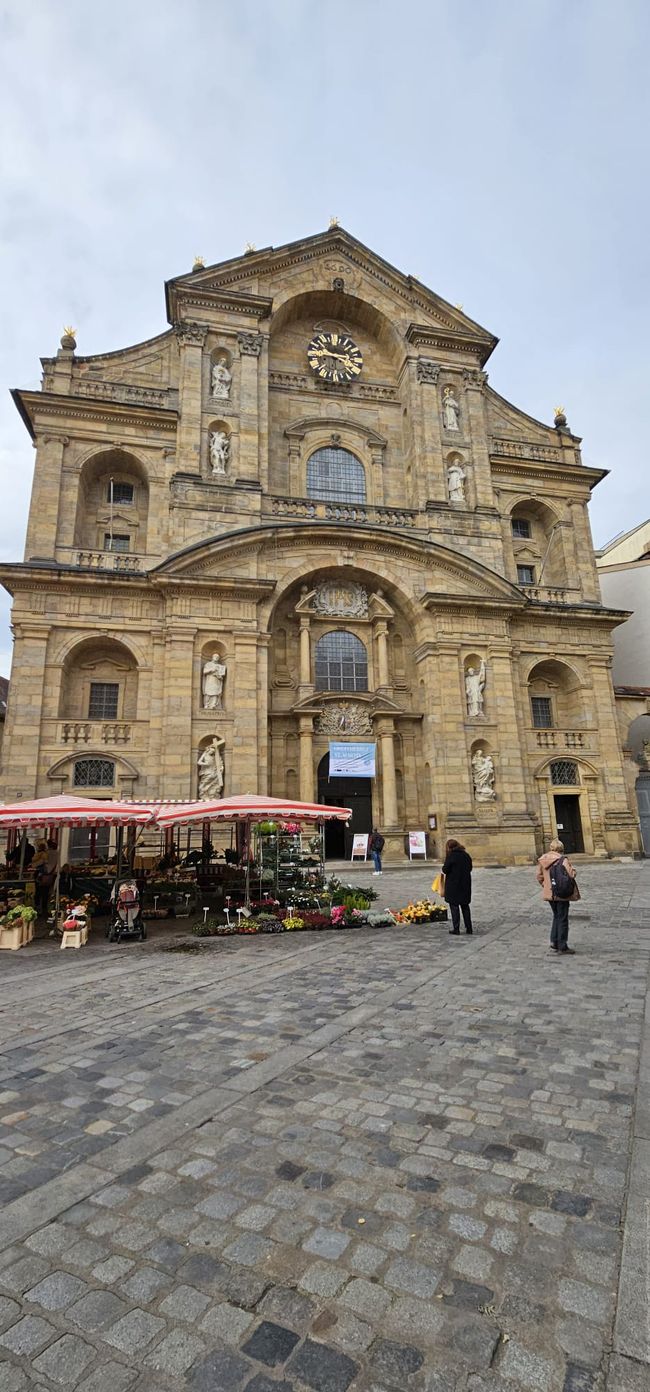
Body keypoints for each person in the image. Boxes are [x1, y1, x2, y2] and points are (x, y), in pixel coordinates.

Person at [536, 838, 580, 955]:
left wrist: (546, 886)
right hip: (562, 892)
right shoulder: (562, 859)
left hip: (550, 893)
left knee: (556, 916)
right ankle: (562, 945)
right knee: (563, 918)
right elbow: (571, 874)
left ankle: (554, 942)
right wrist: (574, 869)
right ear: (561, 848)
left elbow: (539, 876)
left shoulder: (543, 860)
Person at [442, 838, 473, 935]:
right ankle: (469, 928)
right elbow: (470, 868)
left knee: (454, 907)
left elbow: (445, 869)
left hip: (453, 885)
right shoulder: (466, 855)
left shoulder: (451, 856)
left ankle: (456, 929)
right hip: (465, 884)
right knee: (465, 906)